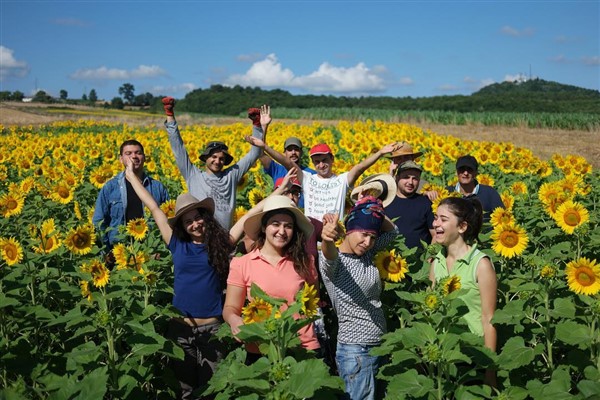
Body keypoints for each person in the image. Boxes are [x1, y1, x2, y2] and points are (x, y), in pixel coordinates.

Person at [123, 158, 234, 400]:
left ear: (205, 217)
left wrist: (277, 193)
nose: (195, 223)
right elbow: (154, 208)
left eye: (198, 217)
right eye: (188, 220)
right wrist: (132, 177)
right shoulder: (176, 244)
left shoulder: (219, 245)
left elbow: (247, 222)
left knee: (212, 391)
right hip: (181, 329)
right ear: (182, 225)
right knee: (183, 391)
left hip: (212, 329)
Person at [223, 195, 320, 363]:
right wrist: (234, 319)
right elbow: (230, 307)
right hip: (261, 346)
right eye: (275, 224)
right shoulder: (243, 263)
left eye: (288, 226)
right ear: (263, 227)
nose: (282, 231)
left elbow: (313, 298)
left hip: (302, 346)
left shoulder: (305, 261)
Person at [319, 196, 399, 400]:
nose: (368, 242)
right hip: (357, 352)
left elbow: (393, 231)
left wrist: (374, 208)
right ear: (349, 229)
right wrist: (327, 238)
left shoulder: (366, 253)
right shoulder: (336, 263)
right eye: (363, 235)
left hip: (380, 344)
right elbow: (328, 255)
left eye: (372, 237)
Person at [162, 97, 266, 229]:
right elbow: (178, 149)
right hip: (200, 237)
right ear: (206, 158)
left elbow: (255, 153)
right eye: (213, 157)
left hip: (225, 239)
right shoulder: (193, 175)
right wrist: (170, 115)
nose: (217, 161)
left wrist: (256, 124)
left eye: (221, 158)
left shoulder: (231, 175)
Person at [247, 136, 400, 221]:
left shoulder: (341, 180)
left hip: (333, 234)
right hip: (311, 234)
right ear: (313, 163)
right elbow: (286, 162)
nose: (321, 164)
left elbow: (359, 167)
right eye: (317, 161)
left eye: (325, 160)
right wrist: (265, 147)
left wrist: (380, 153)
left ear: (332, 159)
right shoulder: (307, 178)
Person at [429, 196, 497, 386]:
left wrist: (489, 370)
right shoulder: (436, 263)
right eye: (435, 218)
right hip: (443, 353)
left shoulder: (480, 264)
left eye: (443, 219)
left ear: (462, 227)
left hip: (472, 354)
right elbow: (432, 310)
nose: (436, 224)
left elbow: (488, 319)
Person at [92, 139, 169, 266]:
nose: (134, 156)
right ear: (121, 159)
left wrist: (162, 249)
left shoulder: (157, 188)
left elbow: (169, 220)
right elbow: (99, 222)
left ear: (144, 157)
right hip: (118, 254)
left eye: (138, 153)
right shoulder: (110, 187)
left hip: (150, 253)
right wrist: (106, 252)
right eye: (128, 153)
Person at [385, 161, 435, 250]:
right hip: (388, 258)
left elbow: (435, 234)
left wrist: (430, 257)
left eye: (415, 178)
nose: (410, 182)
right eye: (406, 177)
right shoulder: (386, 201)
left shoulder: (426, 202)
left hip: (420, 260)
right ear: (397, 178)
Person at [259, 136, 315, 208]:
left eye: (296, 149)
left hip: (302, 215)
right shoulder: (276, 169)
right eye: (290, 149)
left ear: (301, 152)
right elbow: (260, 153)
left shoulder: (310, 174)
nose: (293, 152)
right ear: (284, 152)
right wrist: (263, 127)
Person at [446, 155, 504, 223]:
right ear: (456, 172)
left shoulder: (489, 193)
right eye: (462, 169)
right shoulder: (447, 192)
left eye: (469, 169)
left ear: (476, 173)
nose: (465, 173)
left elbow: (502, 216)